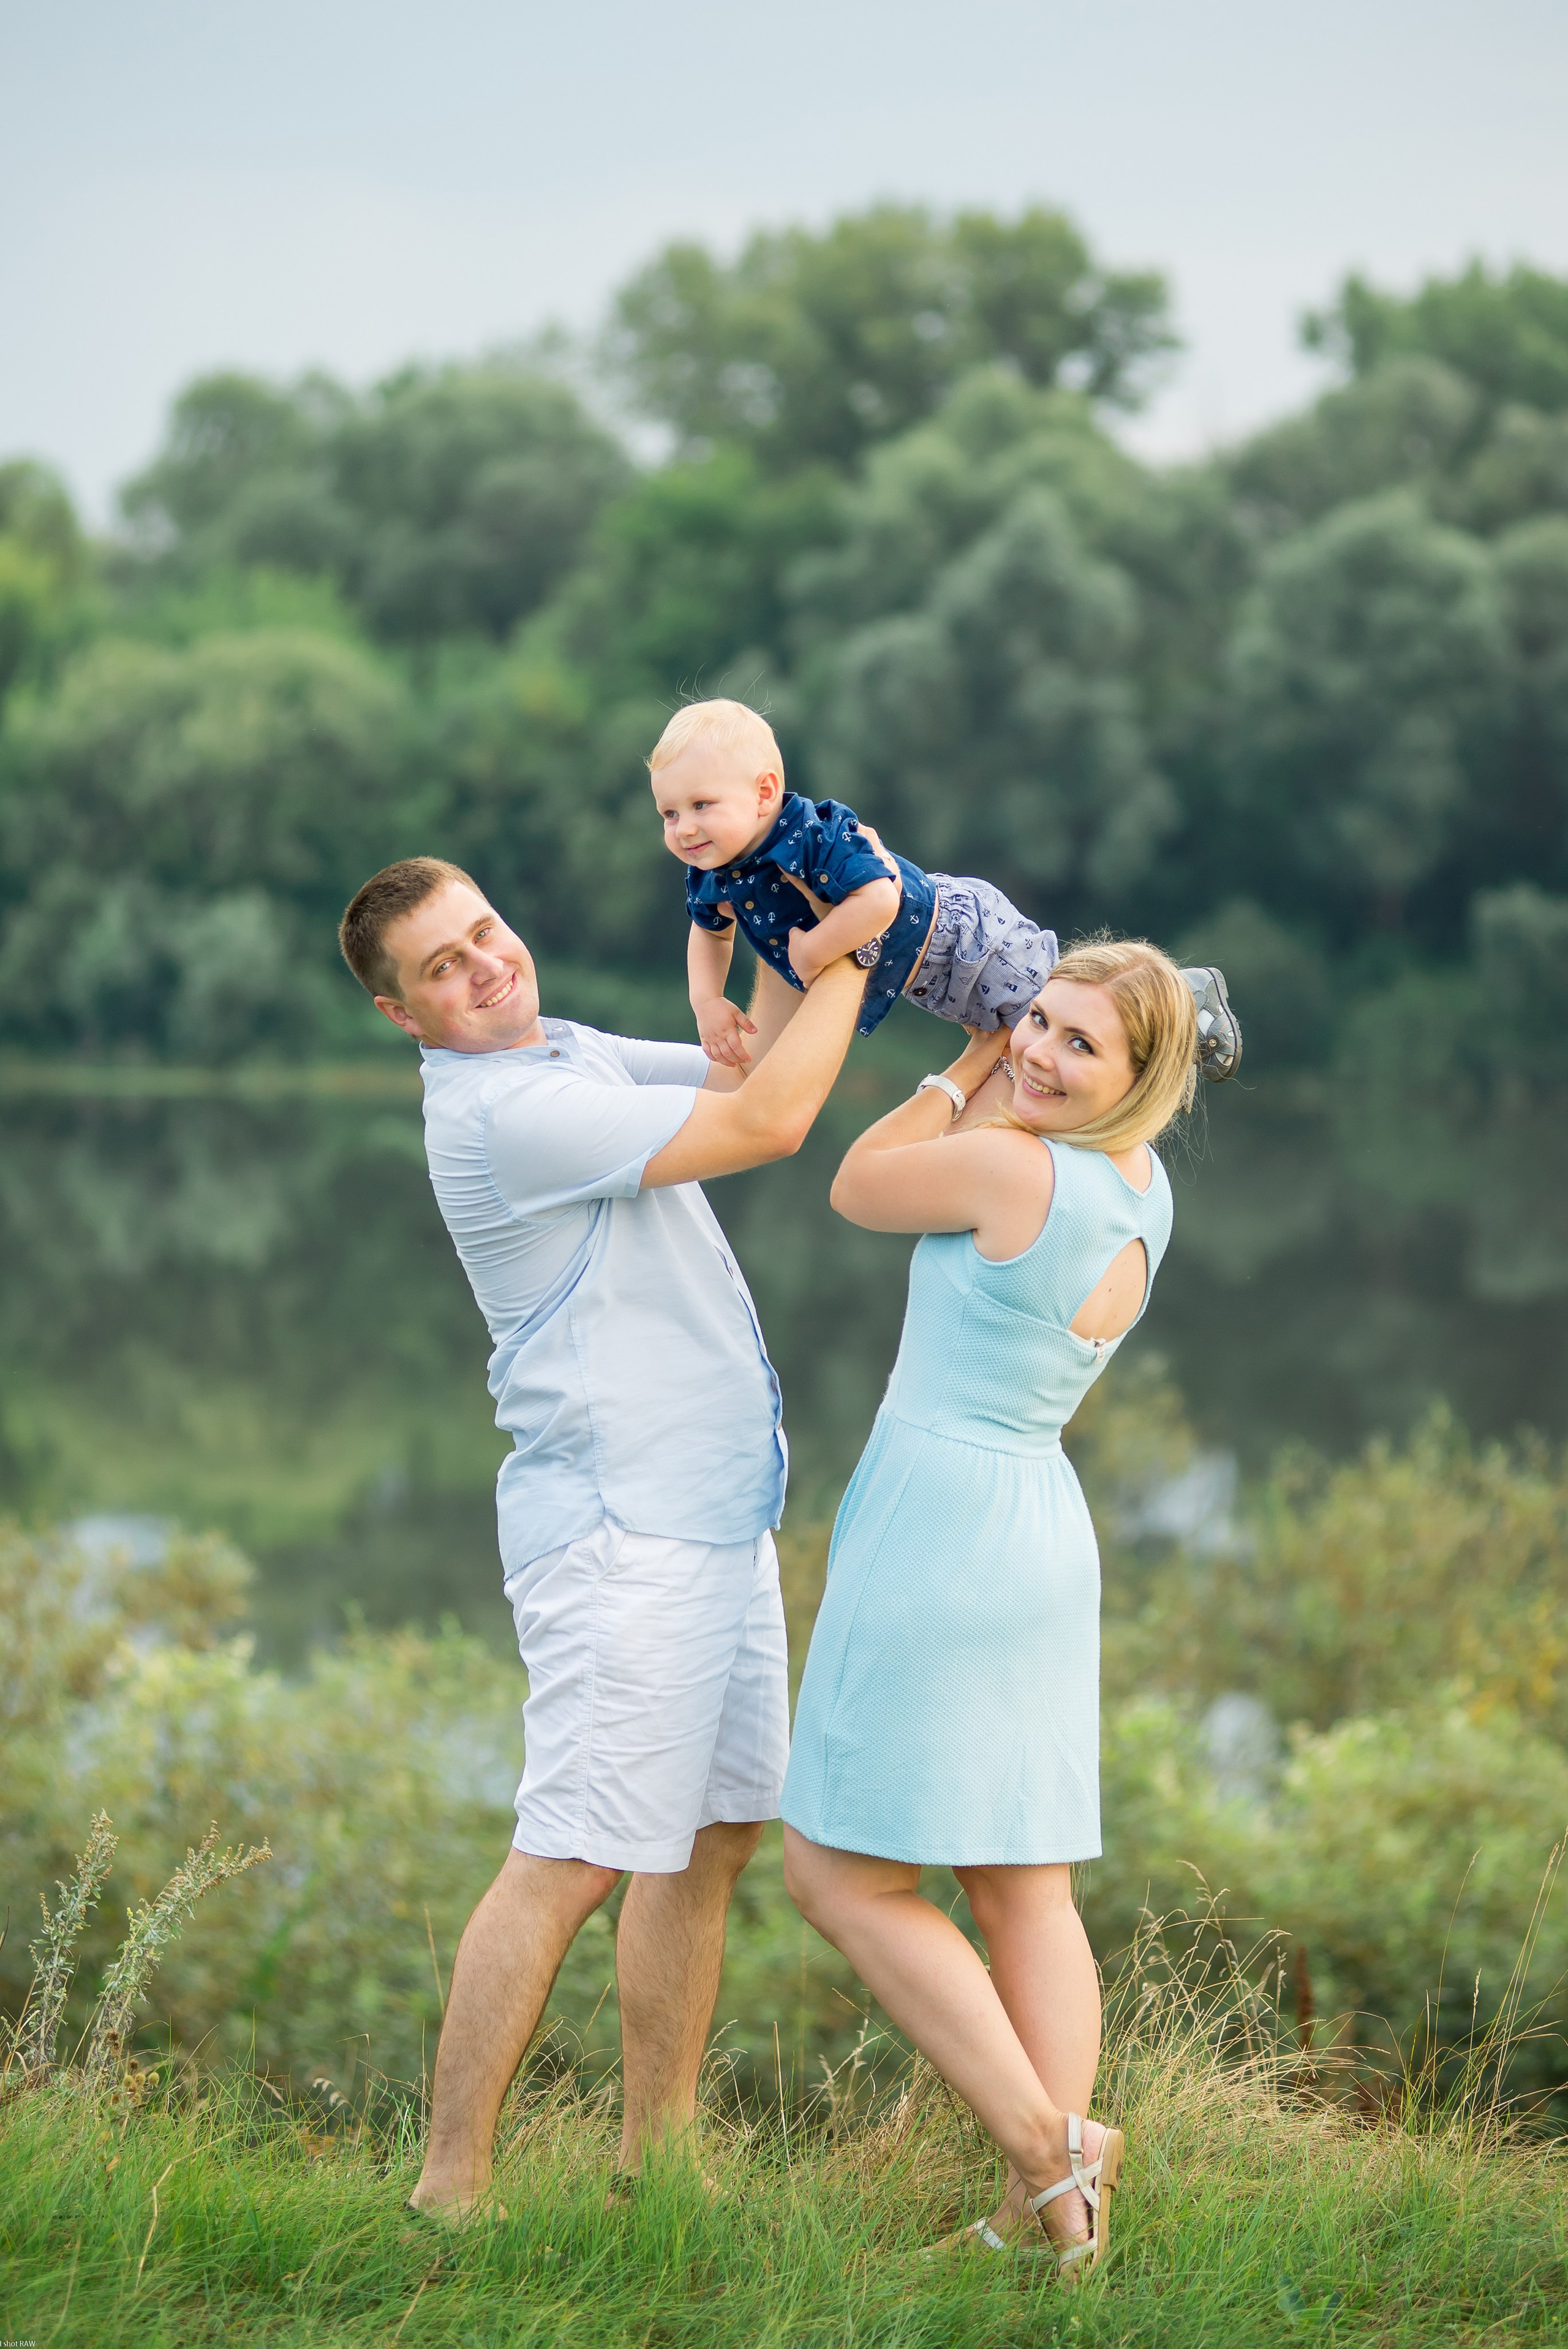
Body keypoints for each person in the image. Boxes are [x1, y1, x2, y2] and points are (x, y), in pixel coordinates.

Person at [336, 855, 867, 2218]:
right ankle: (447, 2191)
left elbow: (735, 1062)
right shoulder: (505, 1114)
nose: (483, 967)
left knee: (713, 1836)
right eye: (441, 970)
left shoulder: (564, 1048)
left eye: (484, 933)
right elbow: (765, 1126)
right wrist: (866, 946)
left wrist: (772, 904)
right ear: (404, 1016)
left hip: (715, 1510)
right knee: (571, 1851)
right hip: (621, 1529)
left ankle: (657, 2164)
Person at [780, 937, 1199, 2280]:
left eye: (1081, 1045)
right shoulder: (1143, 1188)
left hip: (938, 1529)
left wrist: (960, 1061)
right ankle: (1049, 2224)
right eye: (1031, 1021)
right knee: (1024, 1884)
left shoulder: (1010, 1163)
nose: (1036, 1051)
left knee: (836, 1874)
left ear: (1142, 1073)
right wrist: (1013, 1070)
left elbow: (853, 1184)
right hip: (1035, 1526)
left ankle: (1050, 2149)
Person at [650, 696, 1242, 1080]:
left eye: (701, 805)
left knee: (1060, 1006)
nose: (685, 828)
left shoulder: (811, 836)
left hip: (959, 936)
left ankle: (1181, 1010)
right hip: (928, 977)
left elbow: (878, 899)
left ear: (763, 792)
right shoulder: (712, 872)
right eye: (670, 813)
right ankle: (1163, 1037)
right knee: (1038, 1028)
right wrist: (707, 1001)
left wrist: (813, 948)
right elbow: (709, 935)